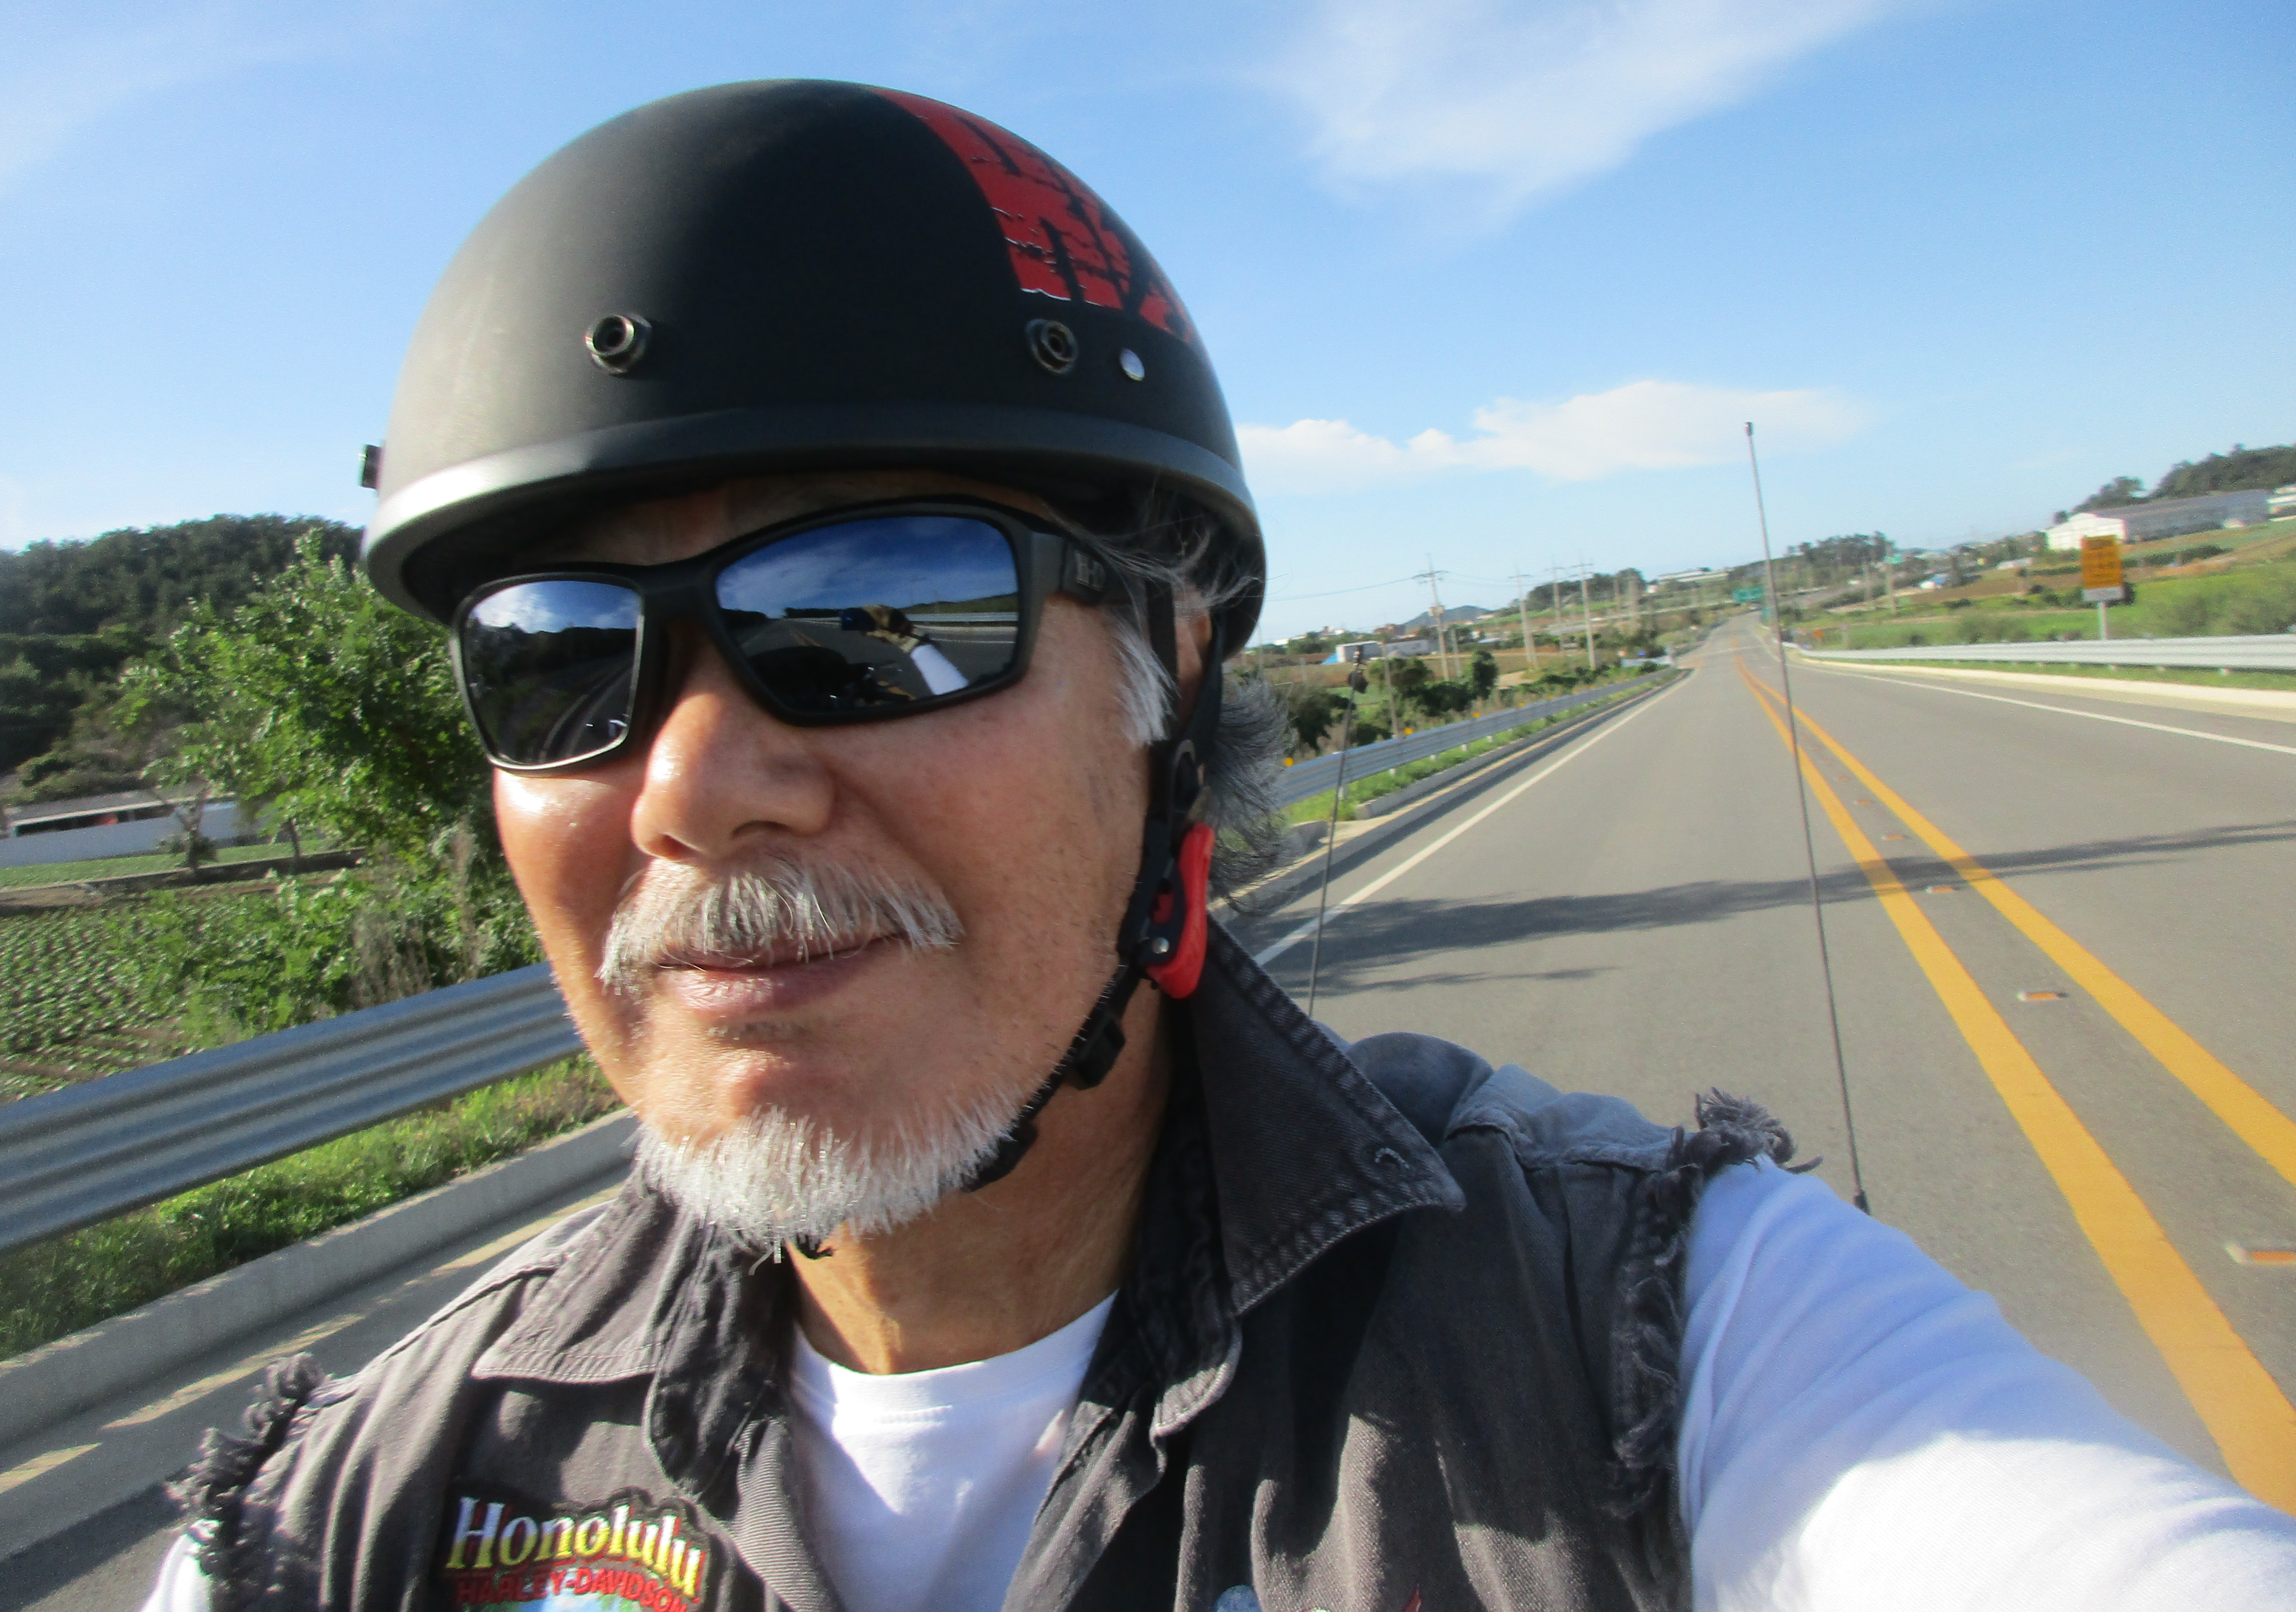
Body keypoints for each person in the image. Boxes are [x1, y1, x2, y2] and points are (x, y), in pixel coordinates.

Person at [147, 81, 2294, 1612]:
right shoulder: (360, 1505)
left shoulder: (1645, 1335)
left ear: (1168, 673)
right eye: (554, 657)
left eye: (878, 611)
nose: (694, 786)